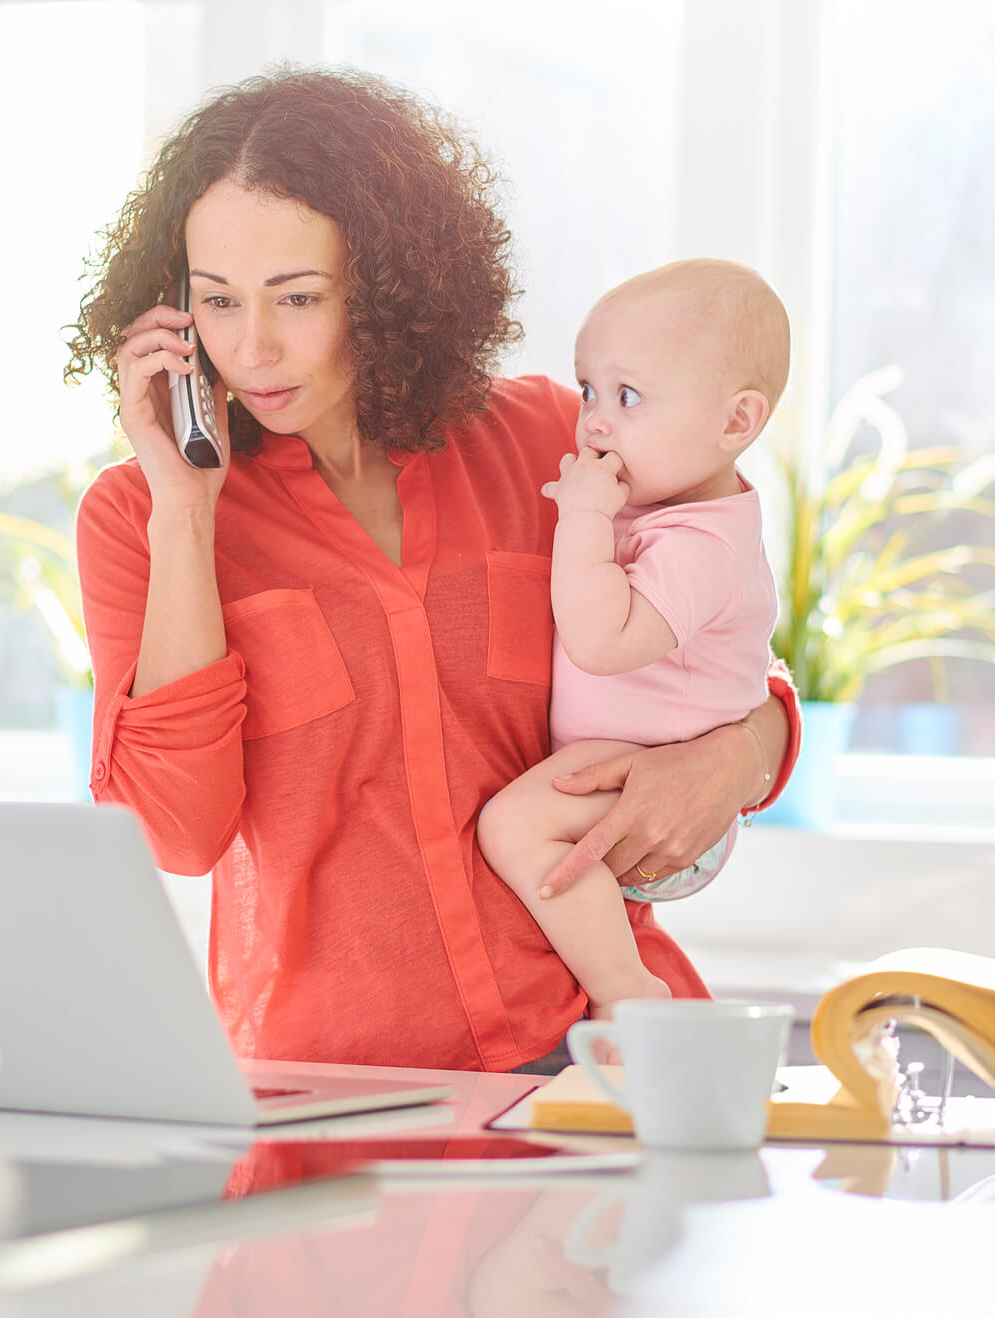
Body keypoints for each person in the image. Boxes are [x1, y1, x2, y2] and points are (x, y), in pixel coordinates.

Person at [65, 68, 801, 1074]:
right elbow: (175, 832)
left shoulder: (550, 440)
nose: (253, 346)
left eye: (297, 297)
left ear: (385, 285)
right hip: (333, 1091)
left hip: (596, 1050)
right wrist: (186, 516)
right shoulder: (138, 520)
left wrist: (741, 754)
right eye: (217, 302)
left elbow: (712, 615)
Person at [477, 260, 789, 1019]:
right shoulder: (663, 508)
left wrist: (582, 518)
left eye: (628, 396)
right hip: (631, 767)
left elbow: (600, 641)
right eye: (587, 390)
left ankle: (626, 992)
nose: (594, 423)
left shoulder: (701, 545)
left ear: (734, 423)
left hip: (653, 781)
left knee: (513, 825)